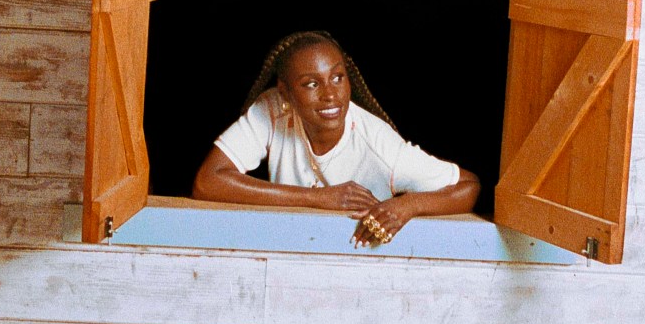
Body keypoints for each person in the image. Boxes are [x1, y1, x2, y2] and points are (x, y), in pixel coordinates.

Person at [193, 29, 480, 246]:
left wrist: (406, 205)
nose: (330, 95)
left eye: (337, 78)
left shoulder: (378, 144)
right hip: (289, 250)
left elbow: (468, 185)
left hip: (362, 256)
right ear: (285, 92)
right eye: (311, 84)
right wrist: (318, 198)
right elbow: (208, 182)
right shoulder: (273, 109)